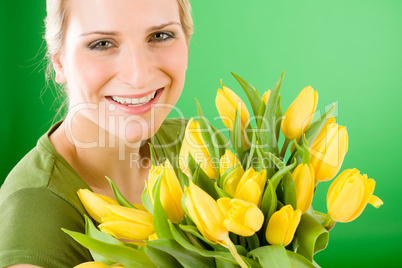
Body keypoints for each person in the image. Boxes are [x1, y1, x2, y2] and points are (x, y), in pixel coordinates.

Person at [0, 0, 193, 267]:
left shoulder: (194, 147)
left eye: (160, 36)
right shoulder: (34, 222)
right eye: (102, 44)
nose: (138, 76)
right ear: (59, 61)